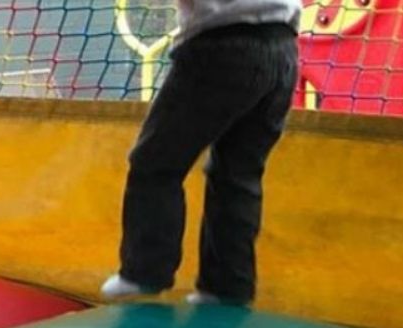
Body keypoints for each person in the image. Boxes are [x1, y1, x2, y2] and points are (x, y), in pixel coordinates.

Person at [101, 0, 302, 306]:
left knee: (155, 164)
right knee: (238, 174)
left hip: (223, 46)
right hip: (283, 50)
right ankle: (228, 287)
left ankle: (145, 271)